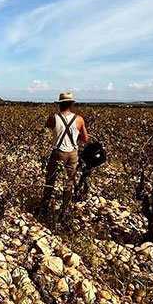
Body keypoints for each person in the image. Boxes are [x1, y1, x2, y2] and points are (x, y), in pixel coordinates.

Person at [38, 92, 89, 225]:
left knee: (50, 179)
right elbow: (86, 138)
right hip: (72, 153)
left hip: (57, 152)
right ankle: (65, 211)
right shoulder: (79, 119)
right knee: (69, 182)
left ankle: (44, 207)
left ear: (59, 105)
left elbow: (45, 132)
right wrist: (75, 143)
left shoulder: (53, 118)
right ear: (71, 105)